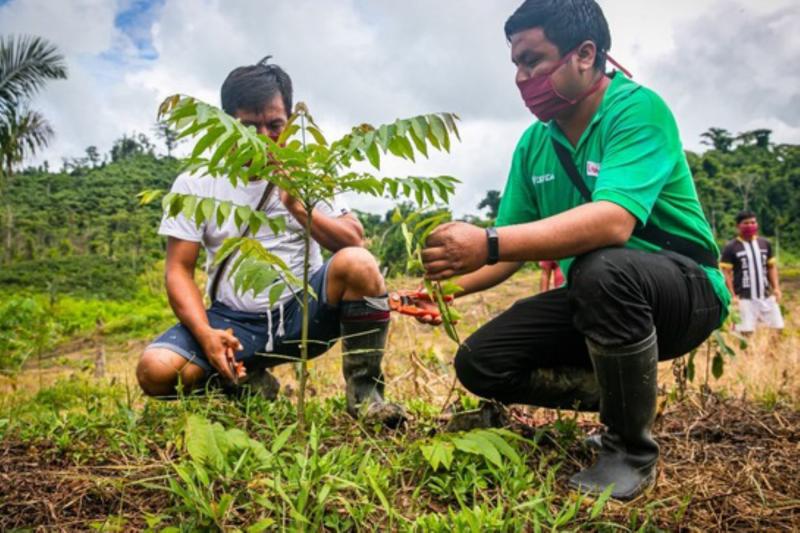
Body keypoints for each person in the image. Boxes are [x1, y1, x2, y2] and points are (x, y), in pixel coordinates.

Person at [414, 0, 730, 499]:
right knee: (481, 361)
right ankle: (625, 396)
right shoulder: (534, 144)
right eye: (516, 64)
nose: (521, 78)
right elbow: (510, 248)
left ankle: (629, 450)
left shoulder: (637, 111)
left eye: (533, 60)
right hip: (600, 293)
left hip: (685, 292)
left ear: (584, 54)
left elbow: (613, 221)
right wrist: (443, 292)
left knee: (600, 266)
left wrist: (486, 241)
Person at [136, 57, 405, 427]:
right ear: (227, 124)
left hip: (305, 315)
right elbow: (178, 270)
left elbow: (353, 240)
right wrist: (205, 334)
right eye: (249, 127)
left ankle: (366, 399)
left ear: (290, 122)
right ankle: (247, 384)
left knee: (359, 263)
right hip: (233, 323)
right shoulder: (196, 183)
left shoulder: (308, 172)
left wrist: (297, 205)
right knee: (155, 370)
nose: (264, 138)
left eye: (275, 125)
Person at [720, 210, 784, 333]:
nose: (750, 225)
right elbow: (726, 272)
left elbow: (771, 267)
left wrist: (776, 288)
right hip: (744, 299)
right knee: (745, 332)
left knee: (777, 329)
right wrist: (732, 295)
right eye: (746, 223)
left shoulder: (764, 244)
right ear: (738, 226)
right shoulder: (731, 247)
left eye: (753, 222)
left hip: (766, 296)